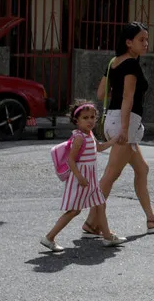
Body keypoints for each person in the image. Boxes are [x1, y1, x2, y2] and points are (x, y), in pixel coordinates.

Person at [84, 22, 154, 237]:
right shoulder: (131, 64)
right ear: (128, 42)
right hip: (126, 122)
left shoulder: (114, 62)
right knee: (110, 175)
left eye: (147, 39)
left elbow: (101, 93)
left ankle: (151, 218)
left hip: (116, 119)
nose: (146, 44)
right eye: (141, 40)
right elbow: (127, 97)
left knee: (142, 169)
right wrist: (124, 128)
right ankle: (91, 223)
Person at [41, 103, 126, 252]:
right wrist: (80, 177)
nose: (90, 121)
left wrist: (114, 140)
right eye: (85, 118)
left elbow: (99, 148)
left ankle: (107, 237)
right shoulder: (79, 137)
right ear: (76, 121)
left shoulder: (89, 134)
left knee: (100, 204)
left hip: (90, 179)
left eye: (93, 117)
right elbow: (71, 160)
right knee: (74, 211)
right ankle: (49, 237)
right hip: (82, 180)